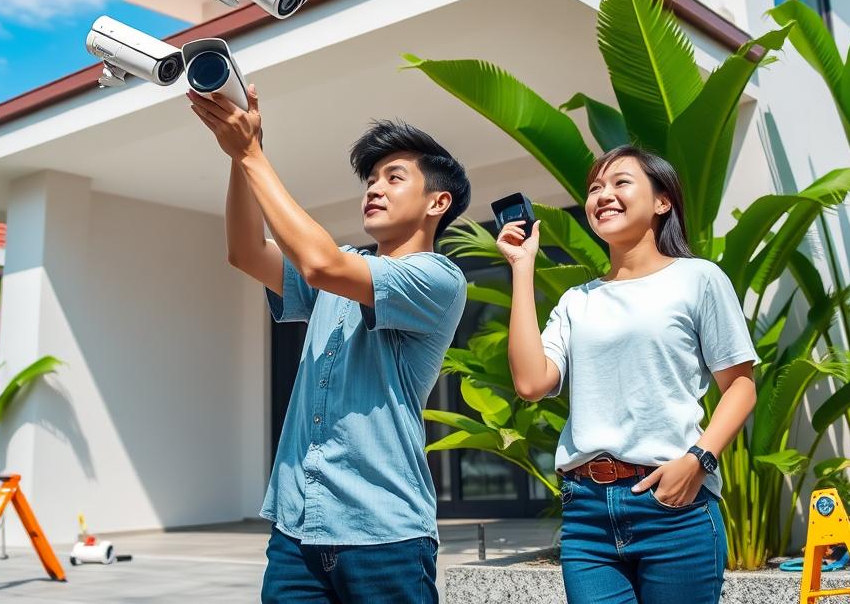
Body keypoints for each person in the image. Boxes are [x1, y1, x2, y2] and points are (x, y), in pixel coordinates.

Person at [187, 85, 470, 603]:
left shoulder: (438, 278)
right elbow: (245, 251)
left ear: (438, 202)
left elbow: (320, 264)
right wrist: (240, 157)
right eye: (369, 179)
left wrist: (252, 154)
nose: (374, 189)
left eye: (393, 177)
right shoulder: (342, 270)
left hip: (383, 535)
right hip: (296, 530)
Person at [496, 144, 758, 604]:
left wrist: (699, 461)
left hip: (673, 506)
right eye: (595, 188)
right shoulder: (578, 300)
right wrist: (522, 268)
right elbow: (532, 383)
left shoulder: (698, 278)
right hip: (587, 513)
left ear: (662, 201)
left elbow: (739, 386)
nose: (603, 195)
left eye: (620, 183)